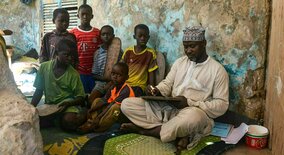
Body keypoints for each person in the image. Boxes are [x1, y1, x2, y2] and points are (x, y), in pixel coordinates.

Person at [120, 26, 229, 154]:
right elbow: (167, 84)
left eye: (192, 46)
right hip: (168, 109)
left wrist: (189, 103)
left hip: (191, 112)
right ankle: (178, 133)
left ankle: (144, 130)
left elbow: (222, 105)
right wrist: (156, 90)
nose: (188, 51)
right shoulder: (179, 62)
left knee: (195, 118)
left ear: (204, 44)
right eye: (185, 46)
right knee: (127, 104)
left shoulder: (217, 70)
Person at [31, 38, 86, 131]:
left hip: (67, 106)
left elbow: (81, 98)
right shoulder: (44, 68)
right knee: (34, 122)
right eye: (66, 55)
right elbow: (38, 91)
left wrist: (68, 103)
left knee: (69, 122)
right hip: (50, 106)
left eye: (72, 56)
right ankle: (56, 120)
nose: (70, 58)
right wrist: (30, 108)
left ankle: (83, 114)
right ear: (56, 53)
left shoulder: (73, 74)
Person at [78, 62, 135, 133]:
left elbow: (112, 105)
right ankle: (91, 122)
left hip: (123, 116)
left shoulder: (126, 90)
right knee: (97, 100)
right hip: (111, 108)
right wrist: (91, 110)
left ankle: (98, 126)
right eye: (113, 74)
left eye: (119, 75)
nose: (115, 77)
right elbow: (104, 101)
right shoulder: (113, 86)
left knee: (115, 107)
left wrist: (99, 117)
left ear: (126, 77)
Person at [70, 4, 101, 93]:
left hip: (94, 72)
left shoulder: (97, 33)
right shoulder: (72, 33)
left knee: (92, 95)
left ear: (92, 16)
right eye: (82, 14)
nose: (85, 16)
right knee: (81, 94)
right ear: (78, 16)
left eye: (87, 14)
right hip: (78, 71)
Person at [88, 25, 123, 104]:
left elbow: (121, 71)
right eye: (103, 34)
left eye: (108, 34)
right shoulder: (97, 53)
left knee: (111, 102)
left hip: (115, 82)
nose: (106, 36)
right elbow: (94, 75)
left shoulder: (119, 53)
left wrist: (112, 81)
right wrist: (106, 79)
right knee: (90, 101)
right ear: (100, 36)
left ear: (113, 36)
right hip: (101, 83)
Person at [121, 24, 158, 96]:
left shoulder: (150, 53)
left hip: (139, 86)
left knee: (130, 93)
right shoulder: (128, 51)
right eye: (140, 36)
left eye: (145, 36)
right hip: (125, 84)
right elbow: (121, 68)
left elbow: (151, 74)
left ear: (148, 37)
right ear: (134, 37)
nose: (142, 38)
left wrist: (151, 88)